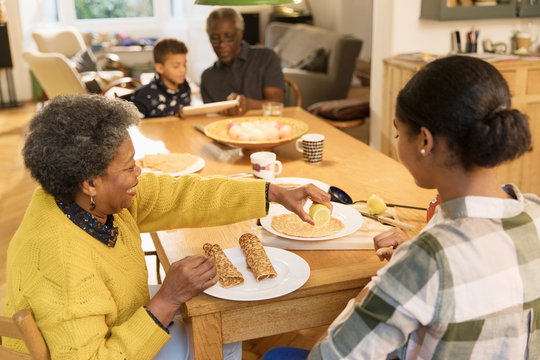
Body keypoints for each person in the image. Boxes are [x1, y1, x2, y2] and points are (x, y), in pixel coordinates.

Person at [2, 94, 331, 359]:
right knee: (220, 335)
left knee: (215, 313)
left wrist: (271, 192)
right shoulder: (61, 261)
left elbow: (184, 195)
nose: (138, 175)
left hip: (117, 320)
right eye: (130, 168)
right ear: (90, 182)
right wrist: (166, 300)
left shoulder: (83, 197)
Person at [268, 55, 540, 359]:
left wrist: (385, 282)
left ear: (424, 140)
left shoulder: (427, 259)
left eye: (398, 132)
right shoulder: (534, 214)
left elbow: (330, 356)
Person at [201, 7, 285, 116]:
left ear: (239, 35)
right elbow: (211, 118)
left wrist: (248, 105)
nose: (222, 44)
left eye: (228, 37)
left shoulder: (266, 57)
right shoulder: (208, 77)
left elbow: (276, 102)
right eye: (215, 38)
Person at [131, 38, 191, 118]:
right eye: (176, 66)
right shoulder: (145, 95)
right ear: (160, 68)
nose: (183, 70)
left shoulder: (185, 88)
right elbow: (133, 126)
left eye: (184, 64)